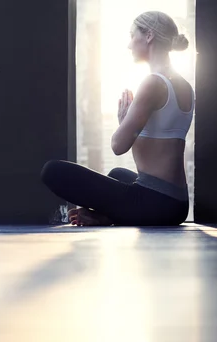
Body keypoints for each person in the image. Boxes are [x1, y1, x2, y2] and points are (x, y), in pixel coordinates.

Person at [41, 11, 194, 226]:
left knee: (52, 171)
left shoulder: (152, 83)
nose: (129, 45)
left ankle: (104, 217)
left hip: (155, 204)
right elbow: (159, 146)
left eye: (133, 36)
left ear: (149, 36)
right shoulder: (183, 85)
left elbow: (117, 146)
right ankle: (107, 216)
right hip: (177, 203)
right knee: (117, 173)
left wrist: (124, 122)